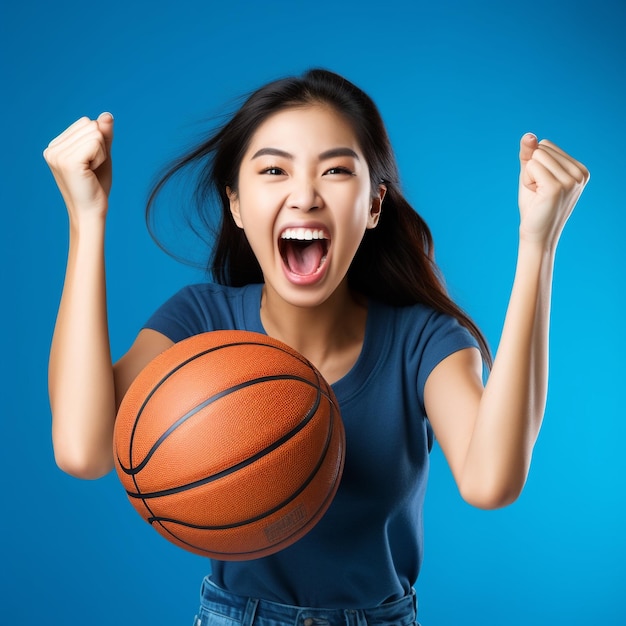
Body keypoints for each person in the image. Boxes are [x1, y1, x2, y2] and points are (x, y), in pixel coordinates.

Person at [43, 69, 589, 625]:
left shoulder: (421, 340)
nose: (304, 196)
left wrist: (537, 244)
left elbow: (490, 480)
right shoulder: (201, 323)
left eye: (334, 171)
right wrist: (86, 219)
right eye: (274, 170)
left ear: (374, 206)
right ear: (235, 203)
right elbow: (82, 450)